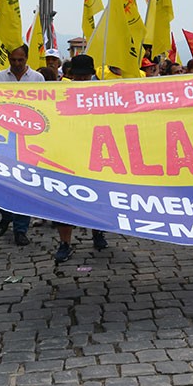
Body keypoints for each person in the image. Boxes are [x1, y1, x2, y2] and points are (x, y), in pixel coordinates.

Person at [52, 55, 108, 261]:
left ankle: (98, 231)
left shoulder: (103, 92)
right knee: (64, 200)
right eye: (79, 76)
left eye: (86, 76)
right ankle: (64, 242)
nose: (83, 80)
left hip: (96, 153)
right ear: (71, 75)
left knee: (98, 197)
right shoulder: (61, 92)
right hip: (67, 154)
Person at [0, 45, 45, 245]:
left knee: (24, 185)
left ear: (27, 59)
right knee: (2, 183)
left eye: (20, 60)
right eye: (13, 60)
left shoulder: (37, 79)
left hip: (29, 137)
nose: (16, 64)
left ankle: (20, 229)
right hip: (4, 136)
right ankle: (6, 216)